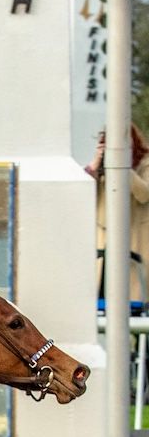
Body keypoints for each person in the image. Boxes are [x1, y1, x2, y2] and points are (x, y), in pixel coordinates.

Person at [87, 125, 149, 307]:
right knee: (101, 304)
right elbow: (83, 198)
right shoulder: (101, 168)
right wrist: (95, 165)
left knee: (133, 304)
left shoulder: (144, 164)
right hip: (104, 247)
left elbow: (144, 194)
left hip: (134, 246)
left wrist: (122, 166)